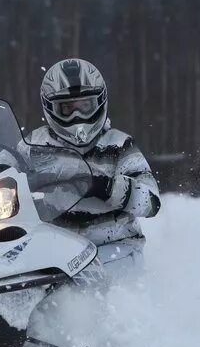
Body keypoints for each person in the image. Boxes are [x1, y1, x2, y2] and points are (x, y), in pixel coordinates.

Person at [27, 58, 160, 275]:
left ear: (99, 102)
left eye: (84, 106)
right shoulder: (33, 146)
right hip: (53, 252)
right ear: (50, 108)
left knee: (95, 295)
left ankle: (131, 308)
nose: (77, 116)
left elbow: (151, 201)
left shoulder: (118, 145)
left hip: (114, 250)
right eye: (67, 108)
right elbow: (0, 170)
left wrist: (105, 186)